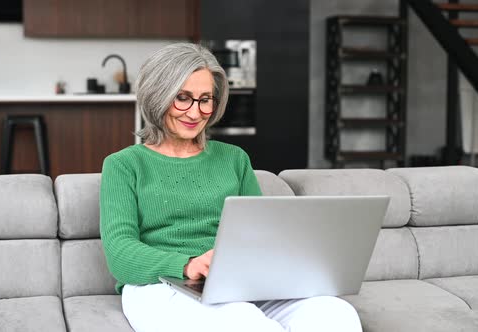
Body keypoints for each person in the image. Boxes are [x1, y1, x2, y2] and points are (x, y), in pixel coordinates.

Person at [100, 43, 362, 332]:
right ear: (158, 96)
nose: (195, 112)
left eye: (205, 99)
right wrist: (188, 264)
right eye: (183, 98)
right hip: (158, 286)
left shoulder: (234, 158)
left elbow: (263, 234)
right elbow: (119, 252)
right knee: (245, 323)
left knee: (336, 314)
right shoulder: (124, 165)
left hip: (236, 284)